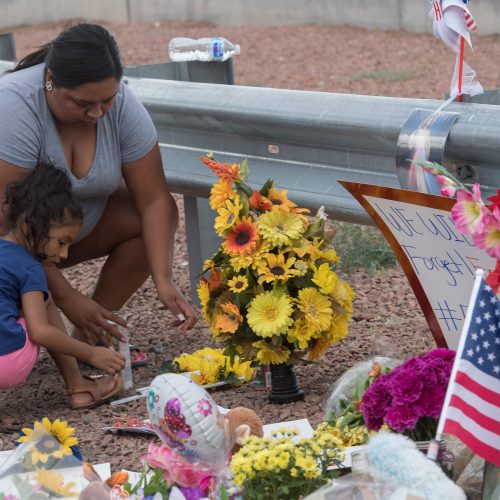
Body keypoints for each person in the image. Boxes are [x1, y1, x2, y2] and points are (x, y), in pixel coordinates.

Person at [0, 23, 197, 347]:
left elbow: (155, 201)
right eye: (82, 103)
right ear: (50, 80)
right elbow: (8, 222)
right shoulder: (14, 106)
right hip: (12, 242)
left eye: (106, 100)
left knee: (142, 219)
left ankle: (89, 338)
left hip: (62, 237)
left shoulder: (121, 105)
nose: (96, 112)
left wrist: (163, 280)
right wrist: (67, 297)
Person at [0, 163, 126, 409]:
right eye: (61, 242)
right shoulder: (30, 267)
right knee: (43, 303)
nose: (65, 254)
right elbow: (40, 332)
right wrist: (90, 353)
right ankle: (77, 386)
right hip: (8, 362)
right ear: (29, 225)